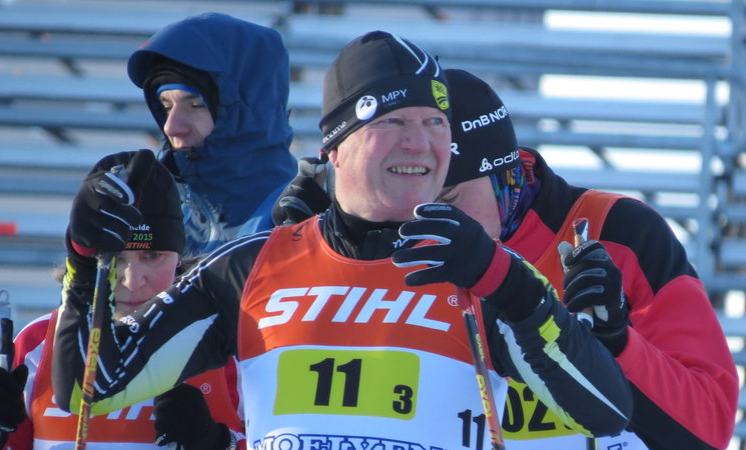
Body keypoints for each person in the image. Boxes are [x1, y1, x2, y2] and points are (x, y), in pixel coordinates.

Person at [50, 31, 633, 449]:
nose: (420, 143)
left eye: (435, 123)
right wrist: (84, 264)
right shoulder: (251, 265)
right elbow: (88, 389)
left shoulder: (483, 268)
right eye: (392, 122)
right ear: (335, 147)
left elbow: (606, 412)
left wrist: (509, 284)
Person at [271, 68, 740, 449]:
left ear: (504, 179)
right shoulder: (384, 240)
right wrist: (323, 248)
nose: (419, 213)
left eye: (445, 196)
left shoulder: (615, 231)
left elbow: (709, 427)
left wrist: (615, 344)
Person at [0, 150, 242, 450]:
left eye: (153, 256)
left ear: (179, 257)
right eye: (115, 259)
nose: (132, 280)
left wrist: (219, 443)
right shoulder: (39, 341)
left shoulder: (225, 341)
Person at [126, 12, 297, 257]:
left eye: (195, 105)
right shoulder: (150, 216)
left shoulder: (305, 224)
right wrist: (86, 256)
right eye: (166, 107)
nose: (171, 127)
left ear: (246, 111)